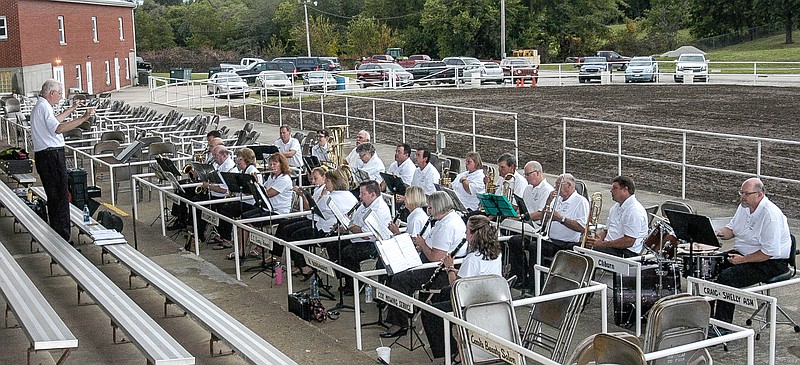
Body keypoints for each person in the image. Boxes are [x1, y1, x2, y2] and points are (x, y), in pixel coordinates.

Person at [381, 191, 467, 338]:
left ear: (439, 207)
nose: (428, 210)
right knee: (395, 268)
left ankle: (399, 323)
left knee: (400, 279)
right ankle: (401, 310)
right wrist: (421, 245)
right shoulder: (448, 219)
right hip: (434, 264)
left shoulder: (447, 226)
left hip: (440, 272)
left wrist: (422, 244)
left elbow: (436, 258)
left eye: (431, 208)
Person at [421, 215, 502, 361]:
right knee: (443, 292)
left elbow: (457, 287)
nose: (465, 235)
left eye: (467, 231)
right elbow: (478, 274)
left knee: (429, 313)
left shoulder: (472, 258)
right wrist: (455, 270)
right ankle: (454, 339)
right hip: (487, 294)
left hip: (471, 302)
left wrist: (450, 267)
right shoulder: (496, 253)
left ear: (474, 235)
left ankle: (450, 350)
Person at [712, 177, 792, 324]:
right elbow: (732, 230)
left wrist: (742, 260)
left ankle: (723, 325)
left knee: (727, 277)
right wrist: (717, 232)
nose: (742, 196)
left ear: (759, 195)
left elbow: (768, 252)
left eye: (746, 194)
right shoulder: (744, 207)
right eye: (741, 193)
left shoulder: (770, 215)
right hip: (745, 254)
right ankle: (708, 318)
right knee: (709, 266)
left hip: (771, 262)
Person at [30, 79, 94, 241]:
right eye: (59, 93)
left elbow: (55, 120)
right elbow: (58, 128)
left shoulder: (42, 106)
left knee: (56, 195)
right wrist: (83, 118)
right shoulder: (43, 107)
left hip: (46, 155)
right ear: (51, 93)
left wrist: (71, 109)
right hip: (51, 155)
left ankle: (59, 232)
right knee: (60, 196)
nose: (60, 96)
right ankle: (62, 237)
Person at [329, 180, 392, 295]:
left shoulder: (379, 208)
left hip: (373, 243)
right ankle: (346, 279)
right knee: (333, 244)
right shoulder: (364, 204)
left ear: (373, 194)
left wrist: (350, 227)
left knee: (347, 253)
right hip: (357, 237)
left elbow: (367, 235)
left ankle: (356, 284)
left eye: (363, 194)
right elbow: (355, 222)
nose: (359, 196)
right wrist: (345, 226)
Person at [230, 153, 293, 260]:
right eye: (271, 164)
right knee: (243, 218)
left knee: (247, 221)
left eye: (275, 164)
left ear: (282, 165)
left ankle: (260, 245)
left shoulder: (284, 179)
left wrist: (256, 183)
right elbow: (262, 190)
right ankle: (243, 250)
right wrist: (256, 184)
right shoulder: (272, 177)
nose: (272, 166)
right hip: (266, 208)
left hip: (278, 212)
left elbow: (268, 194)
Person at [506, 161, 554, 287]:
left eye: (528, 174)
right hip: (527, 227)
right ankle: (519, 276)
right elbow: (523, 208)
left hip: (538, 230)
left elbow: (540, 214)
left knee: (533, 246)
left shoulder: (547, 190)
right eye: (525, 175)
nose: (525, 177)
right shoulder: (527, 188)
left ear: (537, 173)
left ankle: (535, 283)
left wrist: (520, 217)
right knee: (514, 241)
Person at [584, 175, 648, 257]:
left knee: (587, 253)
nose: (611, 191)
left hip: (626, 252)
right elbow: (607, 230)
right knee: (580, 247)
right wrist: (598, 238)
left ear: (625, 190)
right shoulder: (616, 207)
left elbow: (629, 241)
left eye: (615, 188)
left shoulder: (634, 211)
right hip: (611, 247)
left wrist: (602, 244)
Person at [212, 148, 262, 250]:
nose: (237, 161)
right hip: (243, 200)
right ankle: (224, 236)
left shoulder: (252, 171)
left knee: (225, 210)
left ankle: (227, 239)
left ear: (245, 159)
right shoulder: (244, 170)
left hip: (251, 203)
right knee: (223, 208)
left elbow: (255, 192)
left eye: (239, 159)